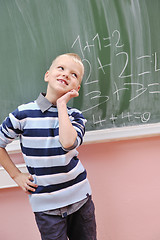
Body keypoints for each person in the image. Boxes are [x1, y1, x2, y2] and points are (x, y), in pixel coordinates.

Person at [0, 53, 97, 240]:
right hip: (46, 207)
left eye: (74, 74)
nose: (66, 74)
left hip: (80, 200)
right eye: (61, 68)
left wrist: (61, 105)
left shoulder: (76, 116)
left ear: (76, 88)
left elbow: (67, 142)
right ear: (47, 75)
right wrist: (15, 175)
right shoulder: (23, 114)